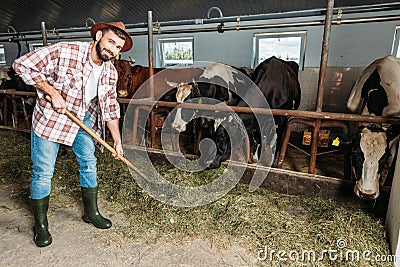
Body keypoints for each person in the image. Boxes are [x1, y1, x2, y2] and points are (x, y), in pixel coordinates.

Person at [12, 21, 133, 247]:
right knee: (43, 172)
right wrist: (51, 91)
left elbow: (109, 105)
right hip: (51, 118)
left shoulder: (109, 71)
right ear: (98, 36)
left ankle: (91, 213)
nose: (113, 50)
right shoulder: (65, 51)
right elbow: (22, 65)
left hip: (82, 116)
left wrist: (116, 140)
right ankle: (40, 225)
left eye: (118, 47)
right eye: (111, 42)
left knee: (89, 161)